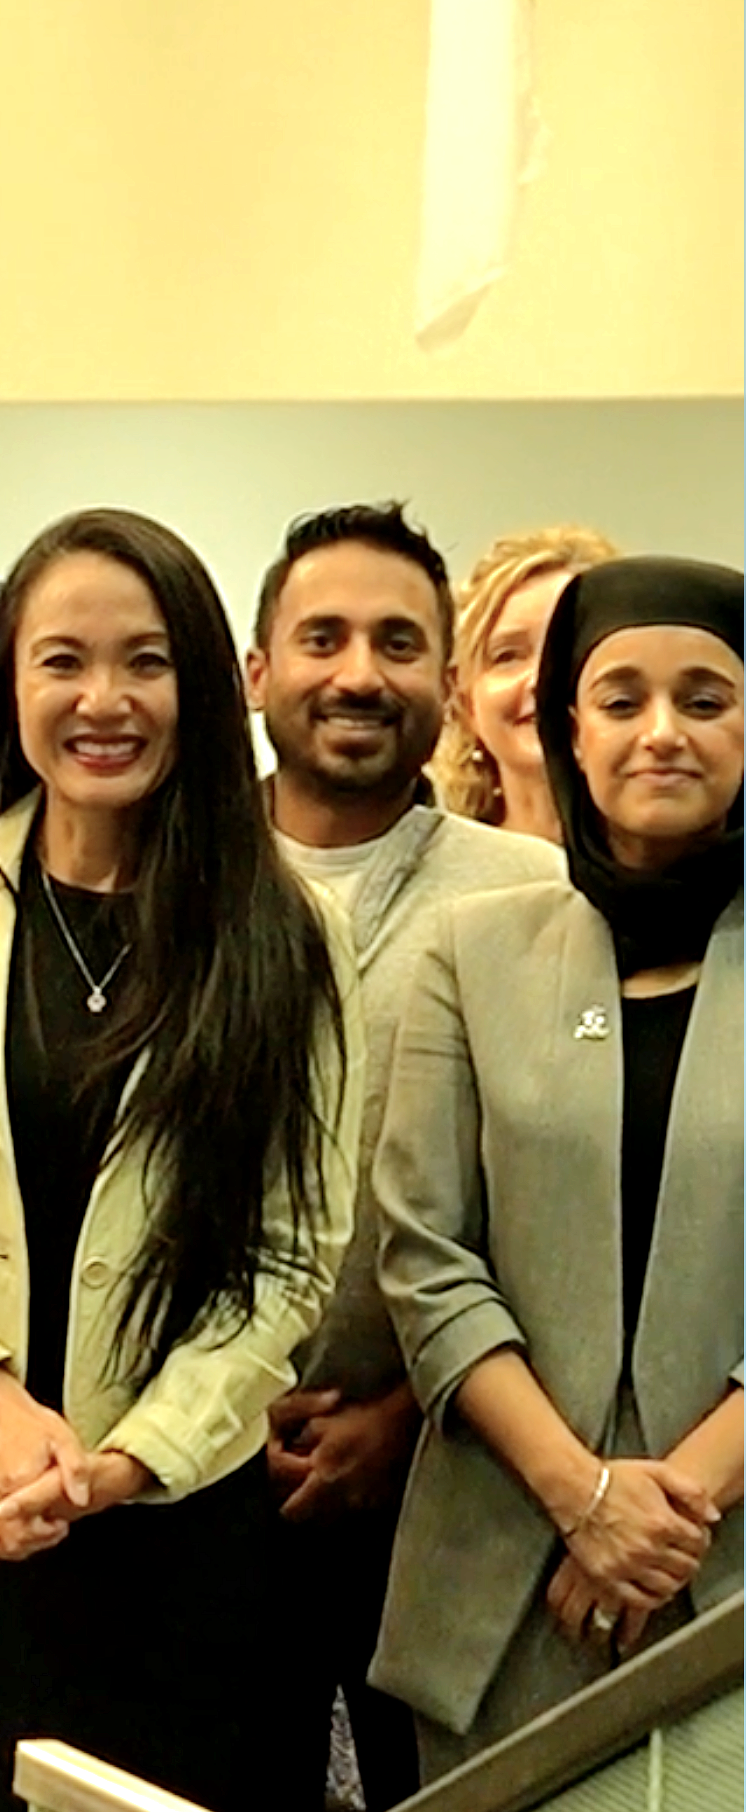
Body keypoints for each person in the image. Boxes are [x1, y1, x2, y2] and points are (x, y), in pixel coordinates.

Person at [0, 507, 357, 1812]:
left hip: (177, 1536)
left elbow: (289, 1260)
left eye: (146, 661)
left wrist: (116, 1464)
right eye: (63, 660)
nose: (104, 698)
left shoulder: (289, 931)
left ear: (205, 686)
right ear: (10, 683)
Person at [370, 555, 744, 1770]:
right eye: (621, 697)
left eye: (705, 697)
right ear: (566, 728)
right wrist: (581, 1496)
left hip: (726, 1575)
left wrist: (667, 1510)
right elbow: (424, 1251)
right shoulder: (470, 949)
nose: (662, 732)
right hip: (502, 1583)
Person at [240, 503, 564, 1808]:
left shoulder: (535, 893)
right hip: (181, 1476)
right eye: (321, 637)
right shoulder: (168, 875)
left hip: (437, 1474)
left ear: (447, 681)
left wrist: (412, 1410)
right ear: (258, 671)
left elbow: (554, 1209)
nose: (358, 671)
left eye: (397, 641)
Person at [436, 524, 620, 843]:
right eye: (507, 656)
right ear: (463, 700)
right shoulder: (429, 878)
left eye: (569, 647)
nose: (540, 680)